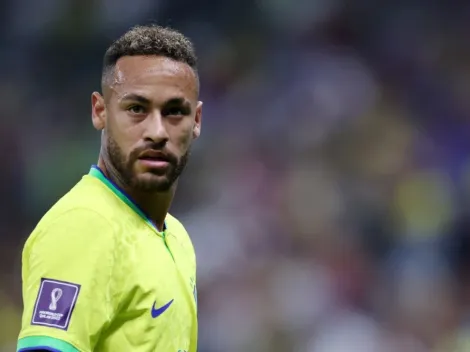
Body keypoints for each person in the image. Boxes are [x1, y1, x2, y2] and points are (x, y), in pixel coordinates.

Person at [17, 24, 202, 352]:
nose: (157, 131)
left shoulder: (176, 237)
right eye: (136, 109)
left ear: (197, 120)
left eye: (174, 111)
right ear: (100, 111)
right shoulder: (83, 226)